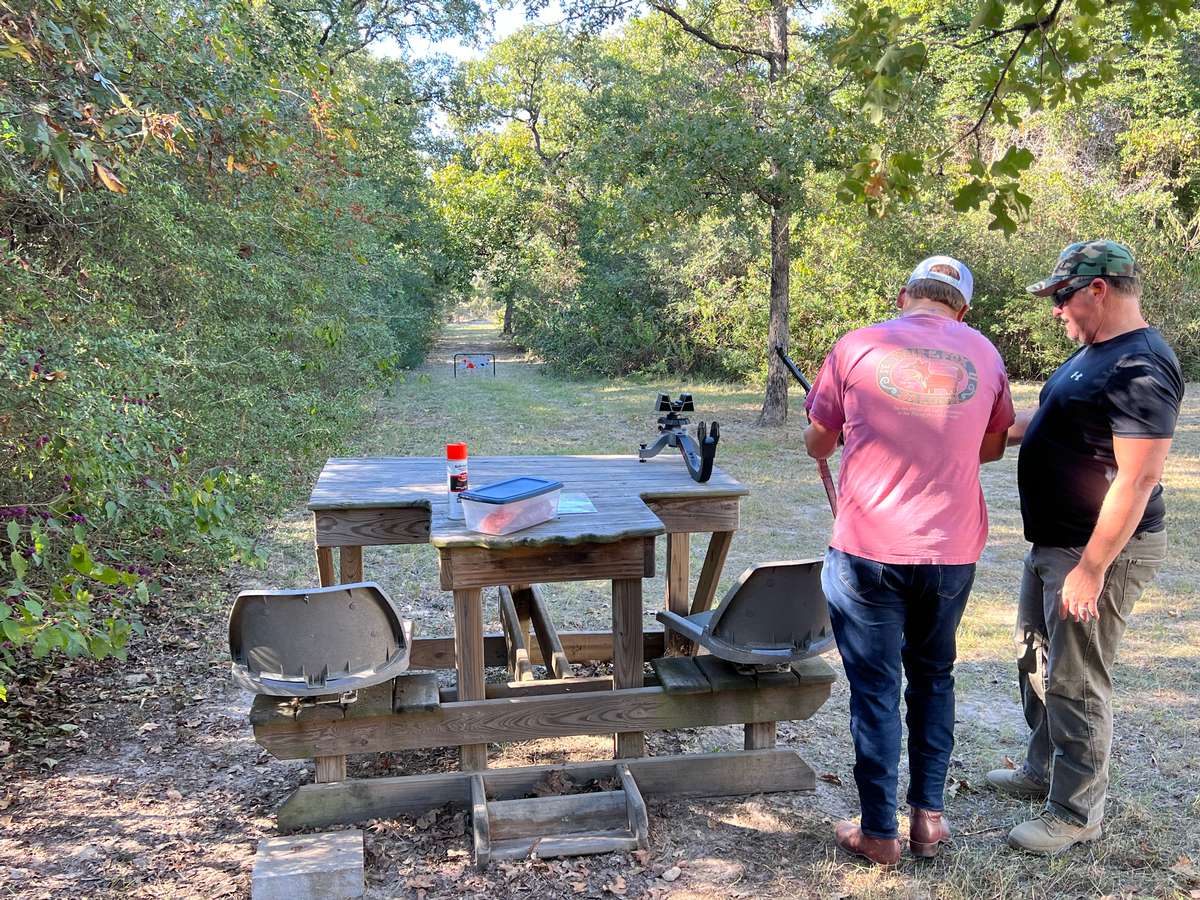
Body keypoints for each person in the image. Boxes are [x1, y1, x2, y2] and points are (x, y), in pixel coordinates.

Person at [803, 256, 1015, 865]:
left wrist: (839, 430)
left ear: (905, 295)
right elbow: (992, 448)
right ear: (962, 308)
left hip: (868, 547)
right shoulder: (986, 354)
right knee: (933, 677)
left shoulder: (856, 345)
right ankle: (928, 819)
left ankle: (878, 832)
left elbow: (819, 439)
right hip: (949, 552)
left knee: (875, 687)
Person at [986, 240, 1184, 855]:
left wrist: (1092, 567)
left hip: (1097, 554)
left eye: (1062, 296)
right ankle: (1042, 771)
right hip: (1057, 544)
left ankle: (1075, 813)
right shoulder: (1093, 354)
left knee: (1076, 679)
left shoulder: (1141, 366)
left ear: (1098, 289)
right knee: (1036, 660)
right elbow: (1034, 423)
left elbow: (1138, 476)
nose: (1056, 310)